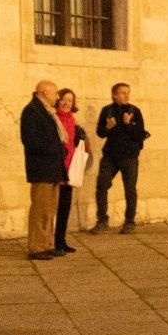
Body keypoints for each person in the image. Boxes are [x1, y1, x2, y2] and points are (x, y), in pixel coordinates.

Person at [93, 82, 148, 234]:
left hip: (129, 157)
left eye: (128, 92)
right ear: (114, 95)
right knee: (102, 185)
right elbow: (100, 133)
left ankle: (129, 222)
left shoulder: (134, 111)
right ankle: (102, 220)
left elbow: (140, 134)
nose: (126, 95)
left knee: (130, 189)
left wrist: (128, 124)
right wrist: (108, 128)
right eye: (122, 93)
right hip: (110, 156)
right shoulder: (107, 110)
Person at [20, 79, 66, 259]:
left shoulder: (47, 112)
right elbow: (31, 141)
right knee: (40, 209)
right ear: (46, 93)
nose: (58, 97)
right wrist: (58, 148)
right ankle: (37, 247)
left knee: (49, 209)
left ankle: (47, 243)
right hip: (42, 168)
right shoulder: (32, 111)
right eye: (56, 93)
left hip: (52, 167)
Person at [51, 88, 90, 255]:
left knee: (65, 208)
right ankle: (49, 242)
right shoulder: (54, 118)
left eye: (70, 100)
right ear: (58, 100)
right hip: (56, 169)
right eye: (64, 99)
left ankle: (61, 241)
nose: (67, 103)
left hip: (69, 170)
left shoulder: (72, 120)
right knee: (52, 208)